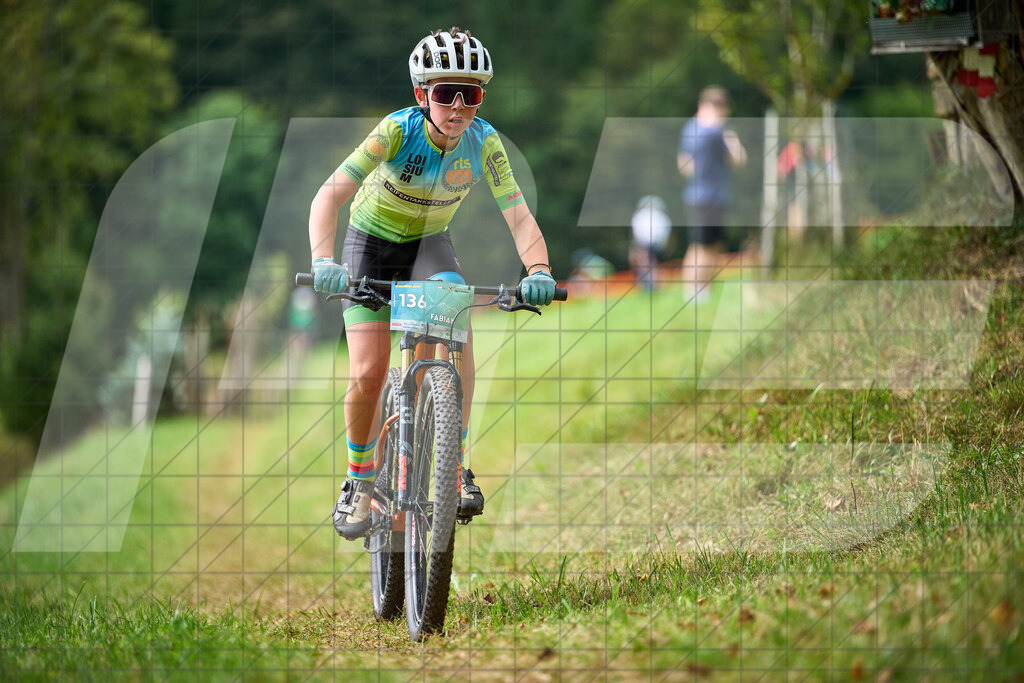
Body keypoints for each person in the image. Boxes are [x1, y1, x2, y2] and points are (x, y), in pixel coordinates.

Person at [307, 27, 556, 540]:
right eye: (446, 92)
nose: (460, 105)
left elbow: (520, 218)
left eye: (473, 94)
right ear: (423, 94)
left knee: (457, 331)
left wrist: (539, 272)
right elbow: (327, 197)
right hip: (369, 245)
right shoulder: (396, 132)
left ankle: (454, 462)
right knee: (369, 370)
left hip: (429, 247)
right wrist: (323, 259)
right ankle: (358, 480)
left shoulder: (485, 143)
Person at [677, 86, 746, 301]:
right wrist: (731, 139)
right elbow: (739, 160)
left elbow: (683, 164)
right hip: (710, 196)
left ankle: (699, 289)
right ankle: (696, 291)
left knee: (707, 244)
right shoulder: (717, 131)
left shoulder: (689, 128)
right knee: (704, 246)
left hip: (696, 195)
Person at [628, 195, 672, 291]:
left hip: (645, 244)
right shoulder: (660, 216)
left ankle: (650, 286)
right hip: (654, 244)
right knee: (651, 265)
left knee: (646, 265)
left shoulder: (639, 215)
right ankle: (650, 286)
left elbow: (637, 233)